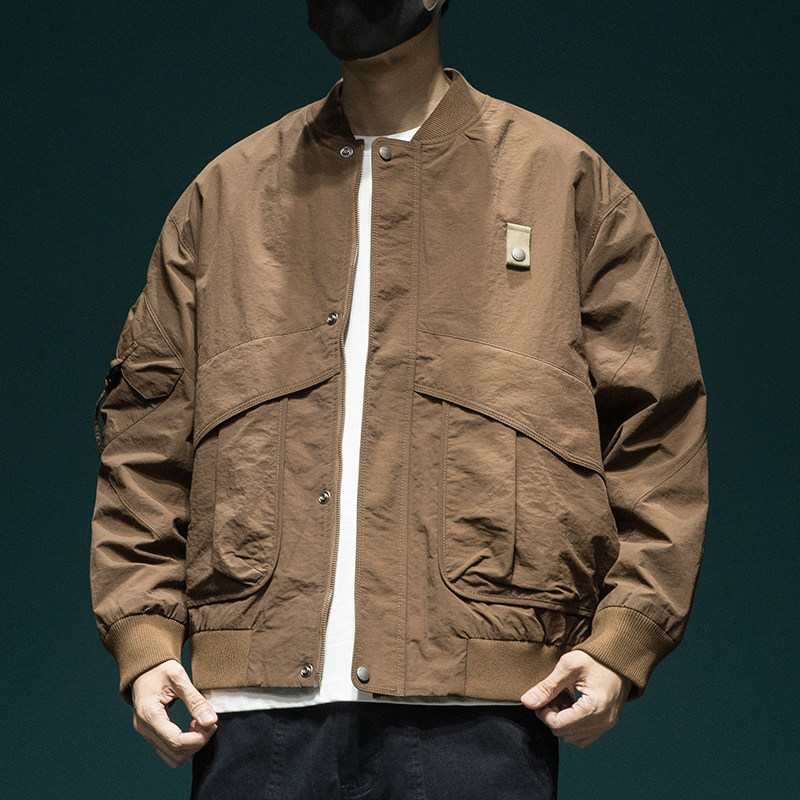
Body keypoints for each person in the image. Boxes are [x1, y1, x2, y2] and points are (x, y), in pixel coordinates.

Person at [90, 1, 708, 797]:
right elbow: (145, 439)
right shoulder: (226, 197)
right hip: (249, 715)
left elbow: (660, 429)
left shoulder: (564, 183)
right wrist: (145, 639)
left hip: (481, 715)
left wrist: (624, 640)